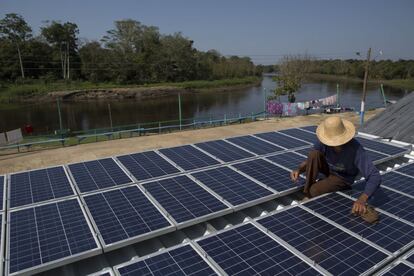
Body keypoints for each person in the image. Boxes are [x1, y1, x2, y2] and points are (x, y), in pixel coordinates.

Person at [290, 116, 381, 221]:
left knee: (315, 190)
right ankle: (308, 192)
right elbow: (311, 159)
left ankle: (312, 191)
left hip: (342, 178)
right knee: (313, 154)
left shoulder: (356, 150)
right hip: (329, 170)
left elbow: (374, 176)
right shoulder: (323, 142)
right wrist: (299, 170)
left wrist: (362, 199)